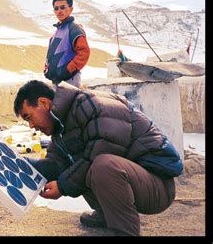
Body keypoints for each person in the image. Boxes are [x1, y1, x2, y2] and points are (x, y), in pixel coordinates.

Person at [13, 80, 183, 236]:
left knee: (101, 164)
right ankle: (107, 214)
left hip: (157, 186)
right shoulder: (61, 127)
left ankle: (124, 230)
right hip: (135, 181)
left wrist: (63, 186)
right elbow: (56, 164)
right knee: (81, 165)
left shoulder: (91, 104)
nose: (31, 126)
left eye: (29, 117)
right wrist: (20, 163)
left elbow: (104, 149)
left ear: (44, 103)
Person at [44, 0, 90, 88]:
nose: (59, 11)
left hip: (70, 80)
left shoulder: (74, 29)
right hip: (56, 80)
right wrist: (47, 69)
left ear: (71, 9)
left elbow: (84, 52)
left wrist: (69, 70)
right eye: (56, 8)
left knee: (66, 103)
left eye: (62, 7)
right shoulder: (56, 31)